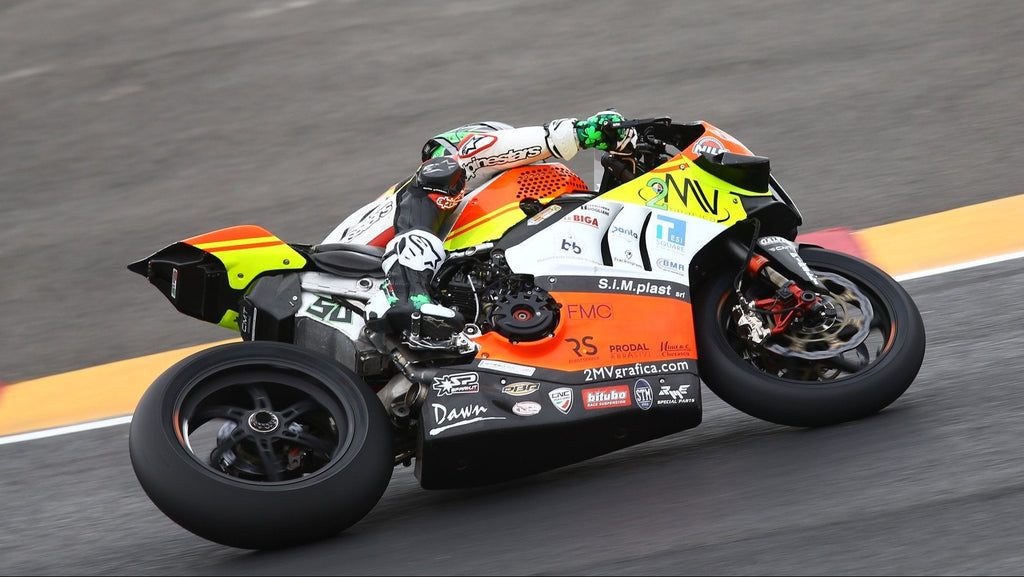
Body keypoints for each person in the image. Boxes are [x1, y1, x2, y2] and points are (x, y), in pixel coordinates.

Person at [366, 110, 638, 345]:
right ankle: (405, 295)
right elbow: (476, 151)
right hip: (365, 266)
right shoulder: (449, 166)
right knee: (444, 172)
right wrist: (580, 133)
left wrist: (623, 155)